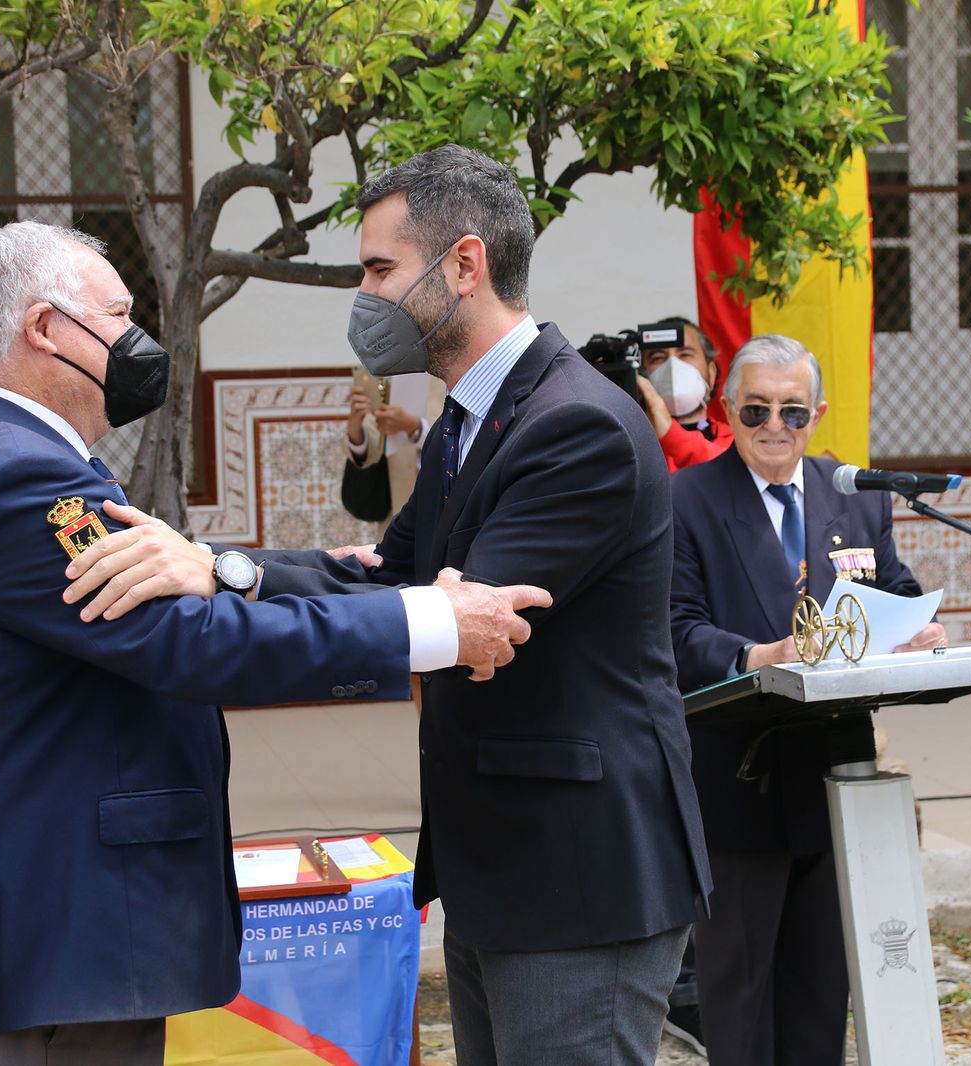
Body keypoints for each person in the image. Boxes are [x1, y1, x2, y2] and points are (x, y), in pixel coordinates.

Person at [68, 145, 711, 1066]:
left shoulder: (574, 425)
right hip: (501, 867)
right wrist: (218, 567)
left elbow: (470, 623)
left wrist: (229, 590)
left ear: (465, 264)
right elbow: (386, 576)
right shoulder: (467, 418)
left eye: (379, 269)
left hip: (579, 874)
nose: (365, 296)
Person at [0, 220, 550, 1066]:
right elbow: (189, 642)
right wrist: (426, 623)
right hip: (51, 933)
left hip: (57, 927)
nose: (137, 338)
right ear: (46, 328)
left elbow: (178, 582)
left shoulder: (7, 454)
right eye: (118, 315)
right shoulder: (17, 476)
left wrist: (321, 577)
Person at [665, 333, 946, 1064]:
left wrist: (917, 629)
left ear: (816, 416)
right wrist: (760, 655)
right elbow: (674, 628)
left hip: (837, 776)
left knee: (822, 993)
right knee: (741, 998)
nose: (774, 426)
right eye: (755, 409)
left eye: (792, 411)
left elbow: (893, 588)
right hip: (739, 779)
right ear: (727, 409)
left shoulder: (851, 495)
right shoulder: (687, 499)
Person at [343, 372, 447, 535]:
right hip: (398, 507)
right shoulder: (388, 367)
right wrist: (356, 432)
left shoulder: (455, 367)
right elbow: (372, 442)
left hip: (446, 503)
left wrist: (416, 428)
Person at [634, 316, 733, 471]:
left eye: (685, 354)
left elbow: (732, 474)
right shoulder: (631, 445)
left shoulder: (739, 440)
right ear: (642, 374)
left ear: (712, 373)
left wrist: (670, 434)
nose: (673, 366)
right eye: (658, 358)